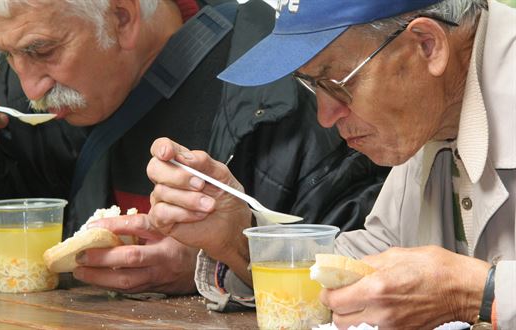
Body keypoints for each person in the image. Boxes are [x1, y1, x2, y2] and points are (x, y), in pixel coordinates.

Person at [0, 0, 386, 296]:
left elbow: (367, 268)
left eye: (41, 52)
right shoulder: (20, 94)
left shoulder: (293, 91)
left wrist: (216, 267)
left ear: (121, 18)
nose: (29, 85)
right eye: (7, 55)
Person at [147, 0, 516, 327]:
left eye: (337, 83)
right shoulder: (427, 113)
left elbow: (452, 288)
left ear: (427, 45)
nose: (326, 116)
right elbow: (365, 270)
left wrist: (476, 292)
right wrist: (238, 236)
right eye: (312, 87)